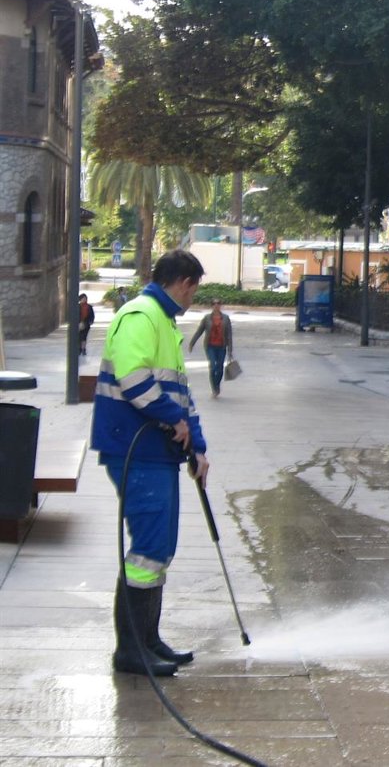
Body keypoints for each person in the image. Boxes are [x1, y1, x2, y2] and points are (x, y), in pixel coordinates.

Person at [92, 249, 210, 677]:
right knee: (147, 551)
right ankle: (130, 651)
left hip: (158, 455)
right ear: (184, 282)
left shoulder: (164, 324)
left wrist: (197, 445)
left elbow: (181, 396)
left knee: (159, 549)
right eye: (195, 289)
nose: (194, 298)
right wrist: (172, 420)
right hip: (134, 451)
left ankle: (148, 639)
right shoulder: (140, 316)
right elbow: (134, 379)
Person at [187, 299, 234, 398]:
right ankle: (214, 388)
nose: (216, 305)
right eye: (214, 304)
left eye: (218, 303)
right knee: (213, 367)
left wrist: (230, 350)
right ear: (211, 306)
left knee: (220, 368)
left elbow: (229, 335)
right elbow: (199, 331)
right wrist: (192, 343)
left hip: (222, 346)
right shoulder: (207, 318)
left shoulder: (225, 318)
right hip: (210, 346)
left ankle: (217, 385)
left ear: (221, 305)